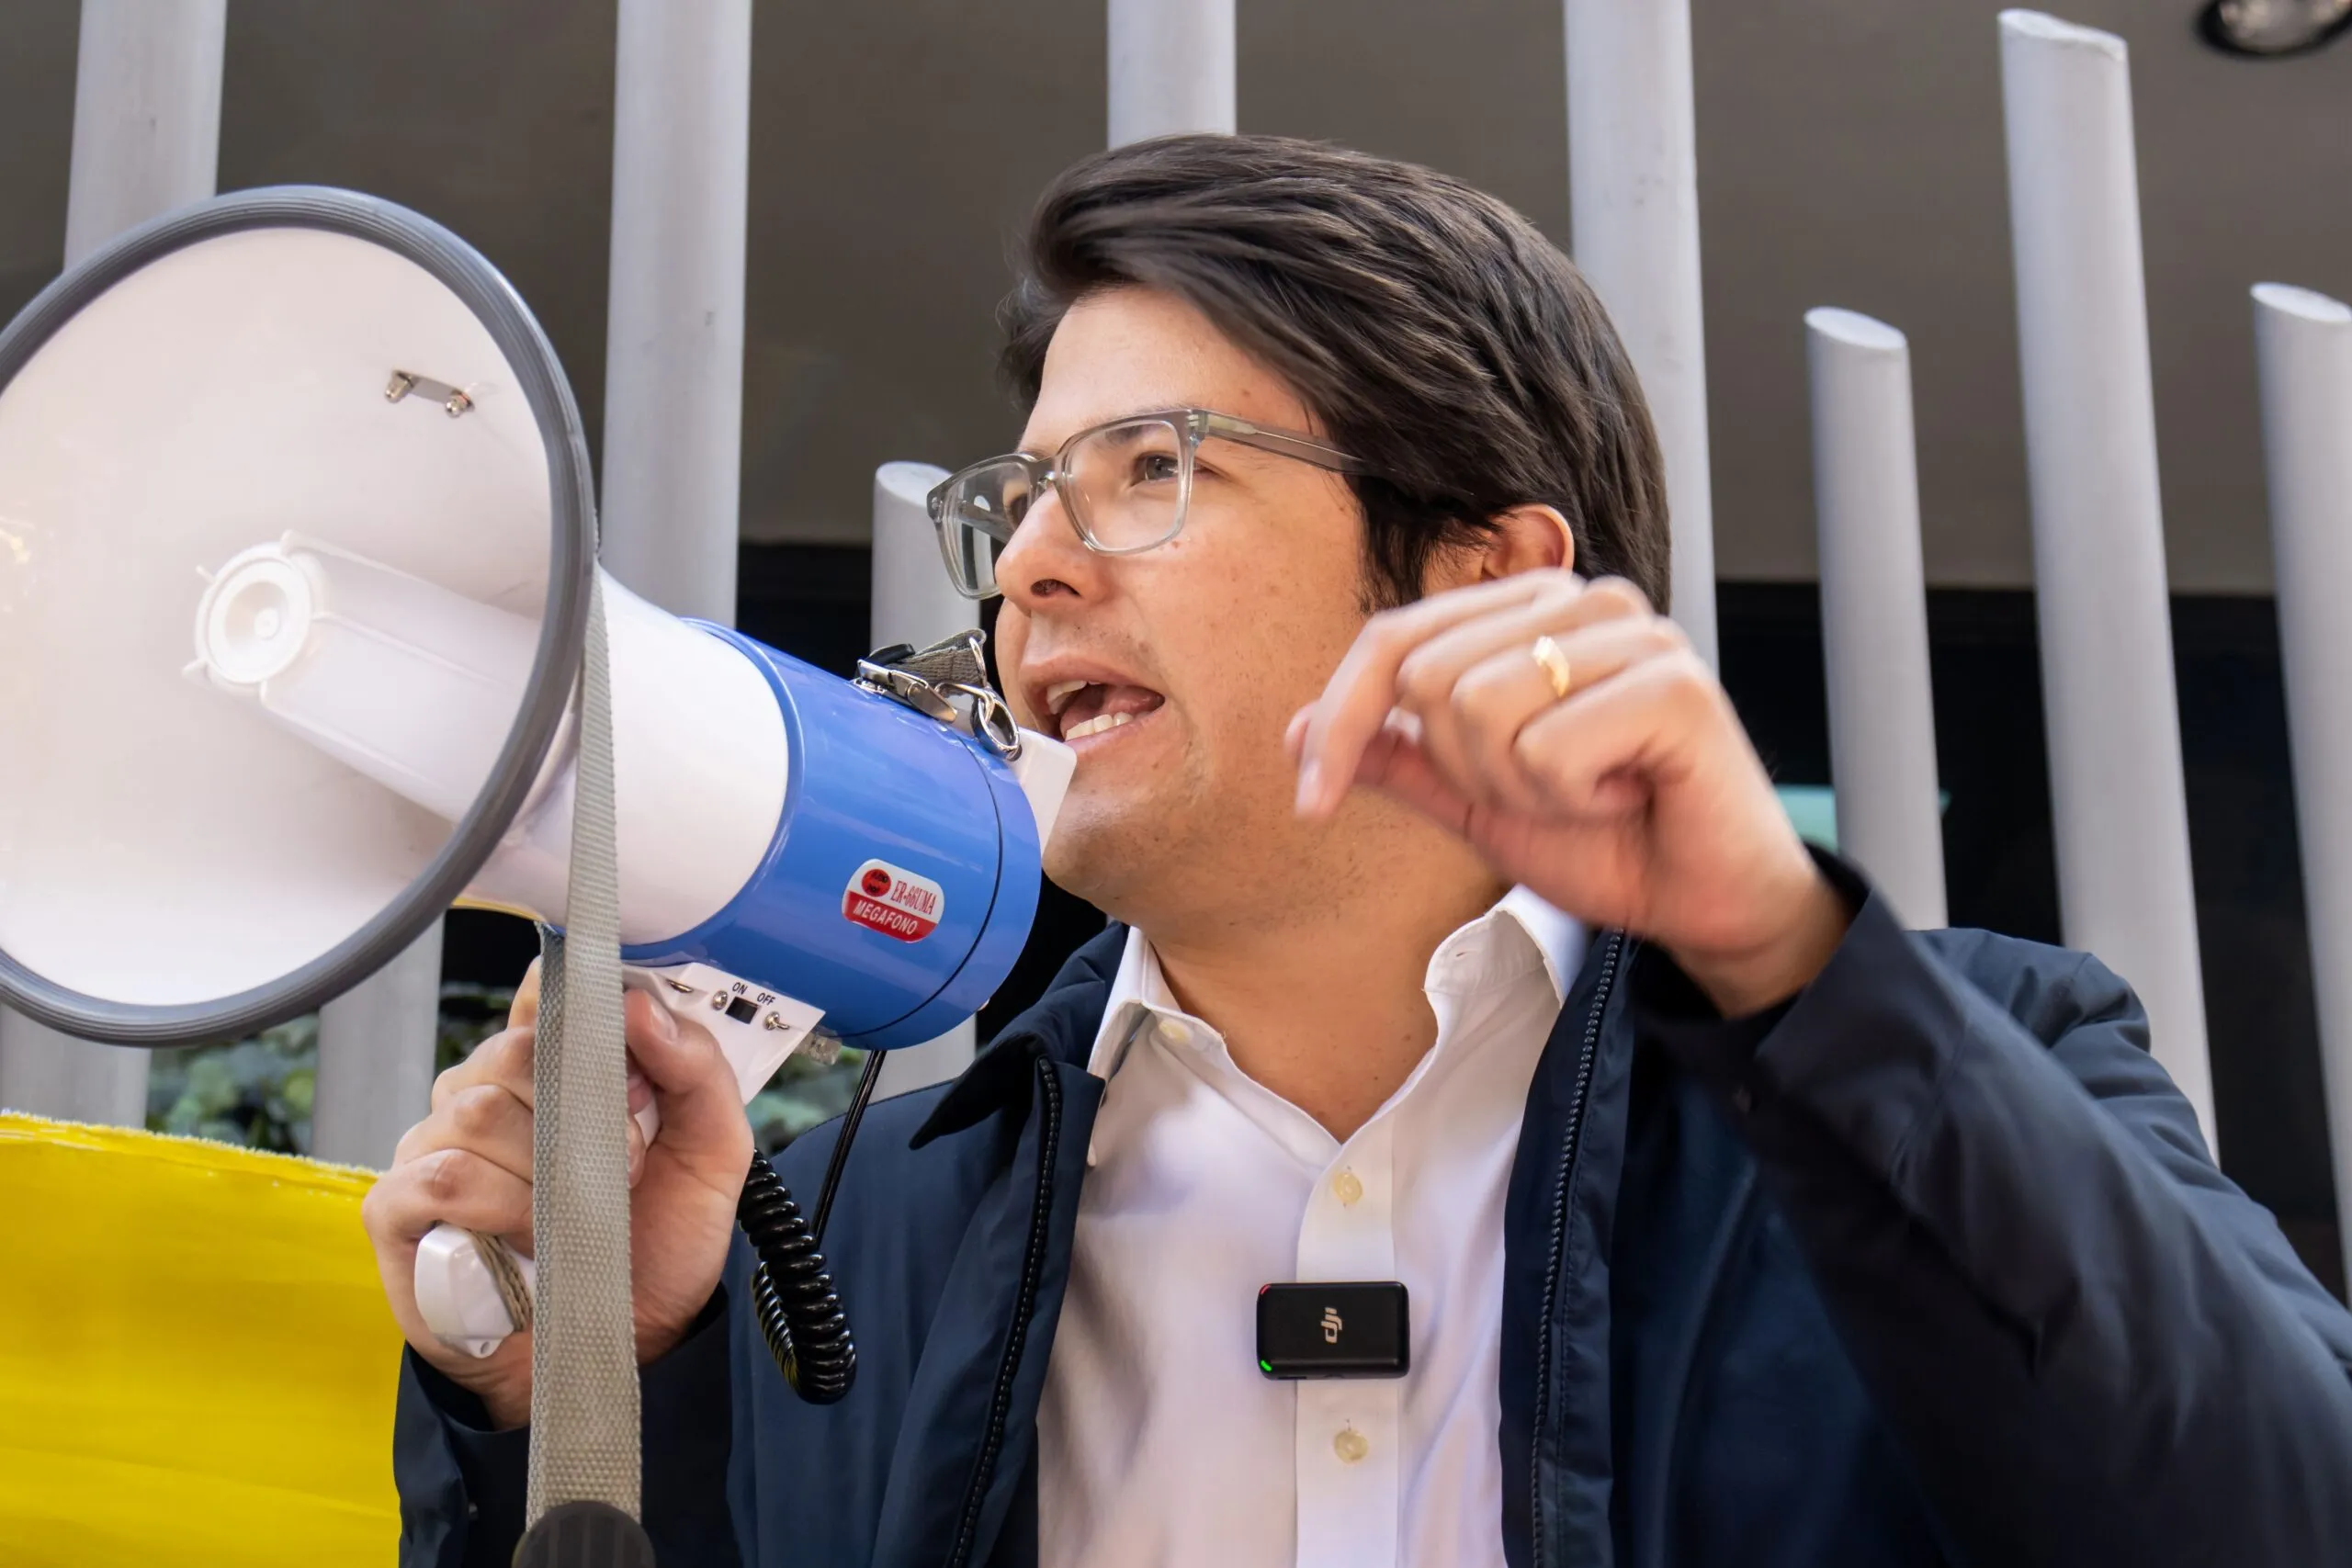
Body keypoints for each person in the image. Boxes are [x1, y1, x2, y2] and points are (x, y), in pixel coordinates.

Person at [370, 135, 2352, 1567]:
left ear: (1483, 581)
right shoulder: (857, 1227)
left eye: (1152, 470)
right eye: (1023, 501)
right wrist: (576, 1410)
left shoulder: (1952, 1062)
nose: (1032, 571)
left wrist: (1796, 970)